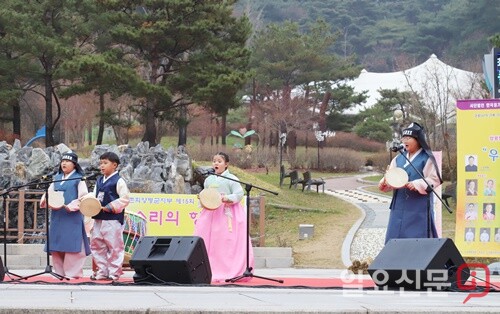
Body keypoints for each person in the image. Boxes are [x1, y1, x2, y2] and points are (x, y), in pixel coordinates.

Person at [194, 152, 254, 282]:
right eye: (214, 161)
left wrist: (225, 198)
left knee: (225, 242)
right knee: (207, 241)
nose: (216, 163)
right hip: (211, 212)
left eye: (219, 161)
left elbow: (238, 195)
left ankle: (228, 270)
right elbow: (206, 193)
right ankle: (208, 269)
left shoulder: (232, 178)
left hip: (226, 213)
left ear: (226, 164)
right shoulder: (209, 179)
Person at [379, 122, 442, 244]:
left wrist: (417, 184)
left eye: (409, 138)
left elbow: (435, 179)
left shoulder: (426, 158)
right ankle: (394, 260)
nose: (405, 140)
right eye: (404, 138)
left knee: (417, 237)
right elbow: (391, 175)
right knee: (395, 234)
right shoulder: (398, 158)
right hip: (399, 204)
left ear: (418, 140)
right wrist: (384, 182)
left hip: (418, 206)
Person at [39, 151, 91, 279]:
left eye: (68, 161)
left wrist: (70, 206)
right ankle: (59, 272)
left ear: (74, 164)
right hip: (57, 216)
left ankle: (72, 273)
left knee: (72, 245)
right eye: (63, 161)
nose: (64, 163)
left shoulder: (79, 179)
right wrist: (47, 200)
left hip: (72, 217)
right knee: (57, 246)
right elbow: (49, 193)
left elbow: (83, 197)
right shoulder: (56, 178)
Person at [89, 152, 130, 281]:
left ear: (114, 165)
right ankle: (102, 271)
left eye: (105, 163)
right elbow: (94, 197)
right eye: (100, 163)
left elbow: (125, 199)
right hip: (98, 217)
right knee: (97, 245)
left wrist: (110, 207)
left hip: (112, 219)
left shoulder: (119, 181)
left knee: (114, 246)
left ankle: (114, 272)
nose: (102, 166)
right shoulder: (99, 180)